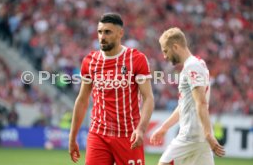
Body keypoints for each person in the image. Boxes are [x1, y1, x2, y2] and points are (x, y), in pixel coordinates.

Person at [69, 13, 154, 165]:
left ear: (120, 33)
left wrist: (141, 129)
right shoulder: (90, 61)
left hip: (128, 134)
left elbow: (148, 98)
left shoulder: (136, 59)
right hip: (98, 134)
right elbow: (82, 100)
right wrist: (72, 136)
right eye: (100, 32)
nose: (102, 37)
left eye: (107, 32)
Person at [150, 27, 225, 165]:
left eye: (165, 51)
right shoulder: (197, 63)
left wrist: (209, 134)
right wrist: (164, 127)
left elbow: (201, 102)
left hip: (191, 135)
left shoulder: (192, 67)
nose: (165, 56)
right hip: (200, 137)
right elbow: (185, 104)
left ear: (175, 47)